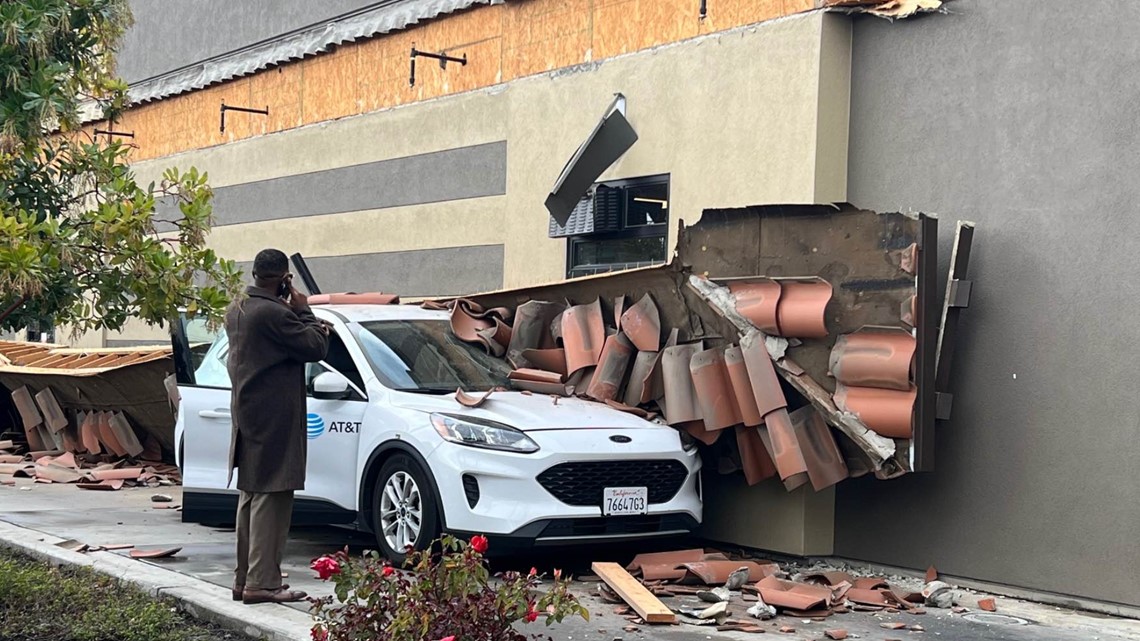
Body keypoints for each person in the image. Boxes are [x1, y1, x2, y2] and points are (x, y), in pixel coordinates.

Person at [225, 248, 330, 604]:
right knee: (273, 495)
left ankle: (245, 580)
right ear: (284, 279)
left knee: (251, 496)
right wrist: (304, 309)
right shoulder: (274, 313)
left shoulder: (239, 308)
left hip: (249, 413)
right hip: (274, 418)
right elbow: (316, 347)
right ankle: (265, 583)